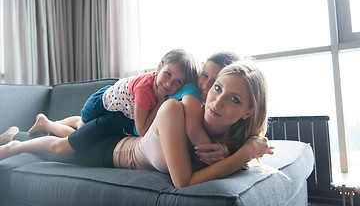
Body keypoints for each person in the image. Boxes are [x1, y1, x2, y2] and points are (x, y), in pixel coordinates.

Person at [0, 60, 274, 188]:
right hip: (112, 152)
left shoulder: (228, 137)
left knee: (67, 140)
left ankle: (29, 130)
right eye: (216, 88)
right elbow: (184, 181)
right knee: (58, 151)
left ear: (249, 112)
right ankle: (17, 141)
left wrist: (235, 152)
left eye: (234, 99)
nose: (217, 101)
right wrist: (244, 154)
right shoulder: (173, 110)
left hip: (119, 139)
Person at [19, 52, 239, 164]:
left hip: (124, 116)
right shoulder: (160, 91)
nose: (206, 85)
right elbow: (144, 130)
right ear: (159, 66)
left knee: (79, 129)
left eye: (178, 82)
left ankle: (48, 123)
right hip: (107, 107)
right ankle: (18, 145)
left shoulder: (185, 90)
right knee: (74, 136)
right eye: (204, 76)